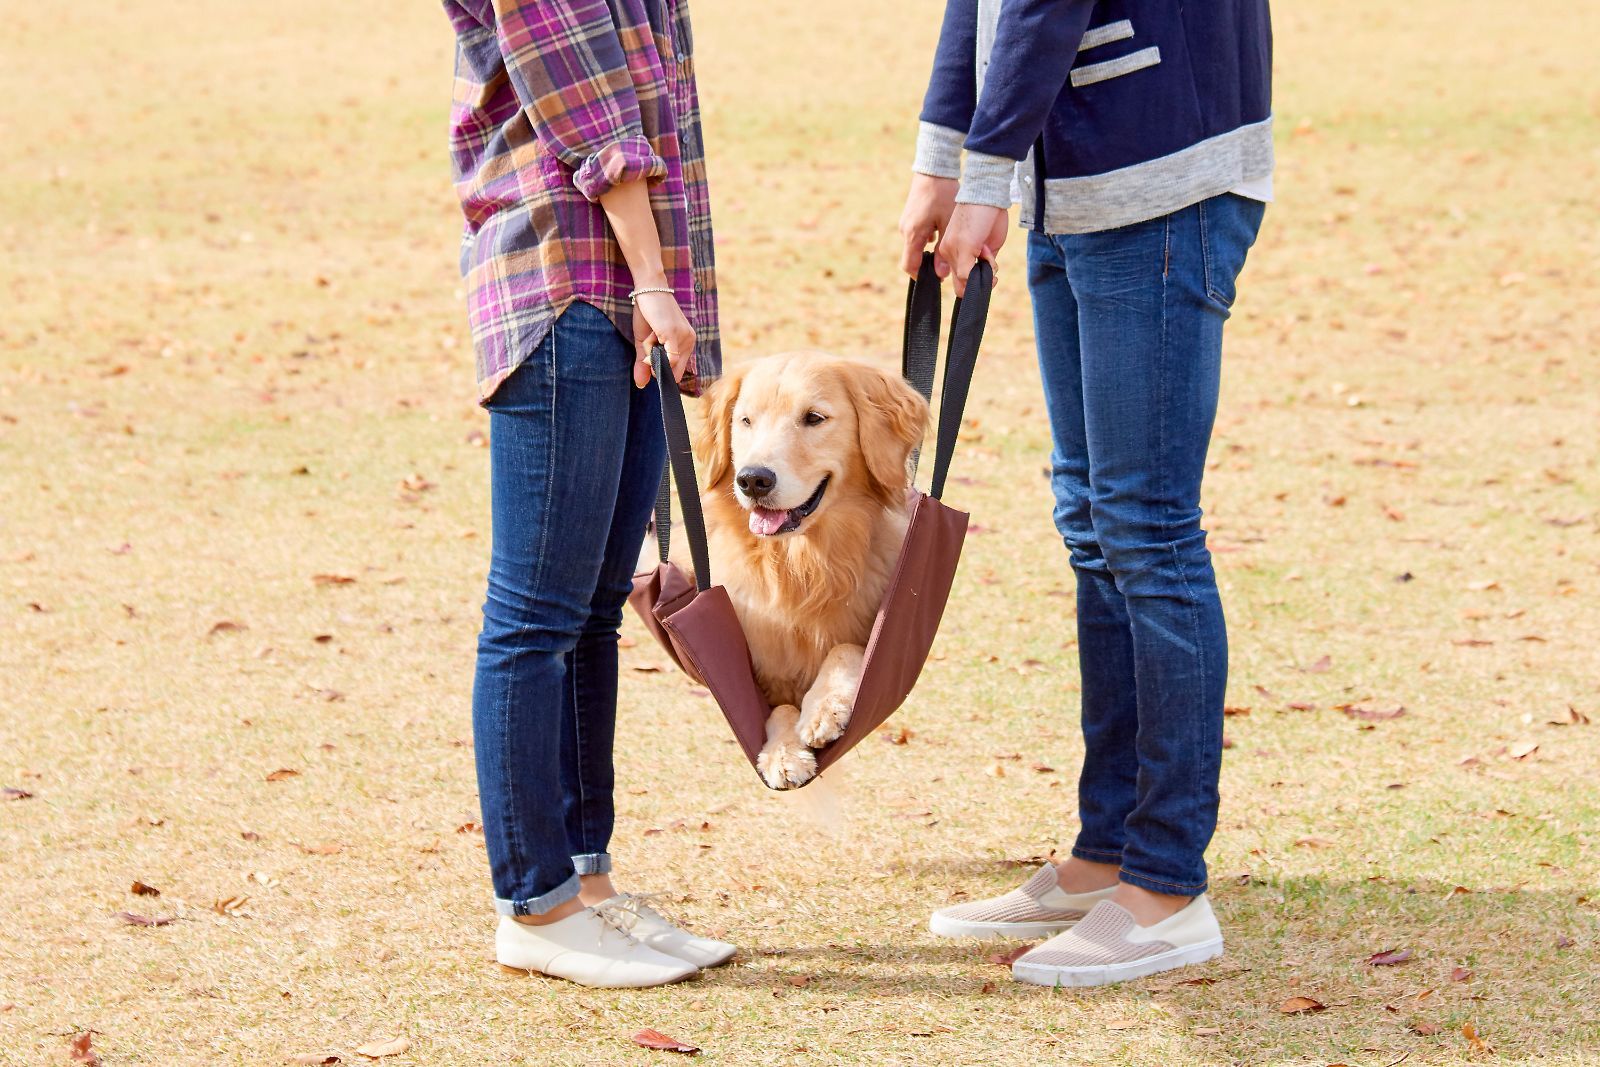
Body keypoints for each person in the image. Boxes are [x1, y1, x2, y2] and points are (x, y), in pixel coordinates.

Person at [900, 0, 1273, 986]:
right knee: (1097, 522)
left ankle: (1166, 887)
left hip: (1160, 175)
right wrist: (945, 163)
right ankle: (1107, 852)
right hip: (1069, 182)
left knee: (1147, 529)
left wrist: (979, 174)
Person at [443, 0, 733, 988]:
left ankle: (585, 881)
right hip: (568, 283)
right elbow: (592, 110)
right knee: (536, 614)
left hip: (625, 296)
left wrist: (664, 292)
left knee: (592, 611)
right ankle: (534, 900)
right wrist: (656, 284)